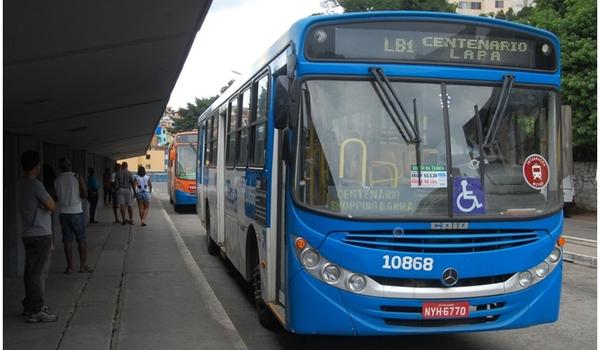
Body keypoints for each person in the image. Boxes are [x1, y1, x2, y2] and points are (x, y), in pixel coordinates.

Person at [18, 151, 58, 323]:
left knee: (29, 272)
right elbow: (51, 205)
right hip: (40, 233)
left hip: (27, 233)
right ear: (36, 166)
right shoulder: (35, 185)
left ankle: (29, 305)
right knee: (38, 273)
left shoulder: (20, 184)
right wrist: (46, 206)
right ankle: (36, 310)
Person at [54, 158, 93, 274]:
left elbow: (56, 196)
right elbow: (85, 194)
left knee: (67, 241)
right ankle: (83, 266)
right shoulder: (76, 176)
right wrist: (80, 187)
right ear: (70, 165)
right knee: (81, 240)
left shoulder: (57, 179)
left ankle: (70, 267)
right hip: (76, 212)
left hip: (63, 213)